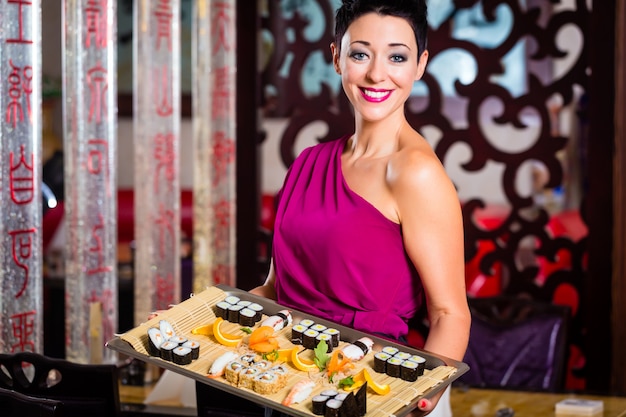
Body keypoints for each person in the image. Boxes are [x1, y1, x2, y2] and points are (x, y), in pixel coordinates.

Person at [251, 0, 471, 415]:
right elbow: (275, 289)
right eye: (360, 54)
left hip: (376, 394)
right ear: (337, 58)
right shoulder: (307, 163)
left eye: (397, 57)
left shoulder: (416, 173)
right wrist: (204, 318)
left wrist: (419, 398)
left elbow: (450, 313)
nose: (376, 74)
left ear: (420, 65)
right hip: (286, 385)